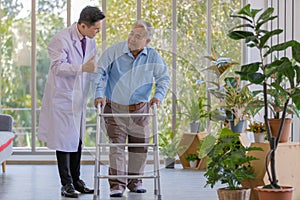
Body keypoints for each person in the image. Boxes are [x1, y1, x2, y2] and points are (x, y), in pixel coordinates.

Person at [93, 20, 170, 198]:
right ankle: (117, 185)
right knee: (117, 146)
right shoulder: (114, 51)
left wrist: (158, 97)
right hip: (114, 108)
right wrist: (98, 94)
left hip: (140, 109)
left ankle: (135, 182)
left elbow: (163, 78)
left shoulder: (153, 56)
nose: (132, 39)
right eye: (131, 34)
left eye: (138, 36)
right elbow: (100, 73)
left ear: (147, 41)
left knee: (140, 147)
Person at [38, 6, 105, 198]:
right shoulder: (60, 39)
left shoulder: (90, 41)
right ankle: (66, 184)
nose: (97, 33)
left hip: (78, 99)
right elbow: (58, 67)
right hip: (63, 98)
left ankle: (77, 180)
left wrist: (97, 91)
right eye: (96, 29)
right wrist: (82, 67)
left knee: (77, 141)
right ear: (83, 25)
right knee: (64, 142)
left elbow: (93, 69)